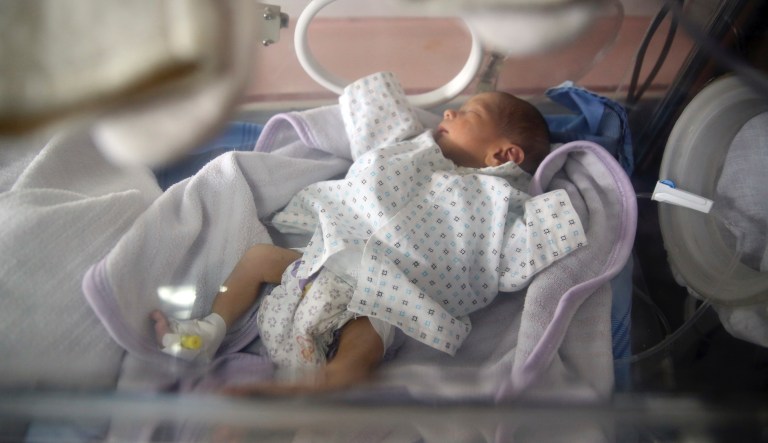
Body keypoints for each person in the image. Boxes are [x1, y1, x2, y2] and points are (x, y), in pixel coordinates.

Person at [152, 72, 584, 394]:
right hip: (323, 260)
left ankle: (324, 386)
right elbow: (374, 107)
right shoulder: (410, 148)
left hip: (392, 293)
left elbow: (537, 241)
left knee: (366, 341)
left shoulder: (503, 205)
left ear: (504, 154)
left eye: (470, 112)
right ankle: (207, 330)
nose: (449, 112)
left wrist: (591, 199)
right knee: (258, 259)